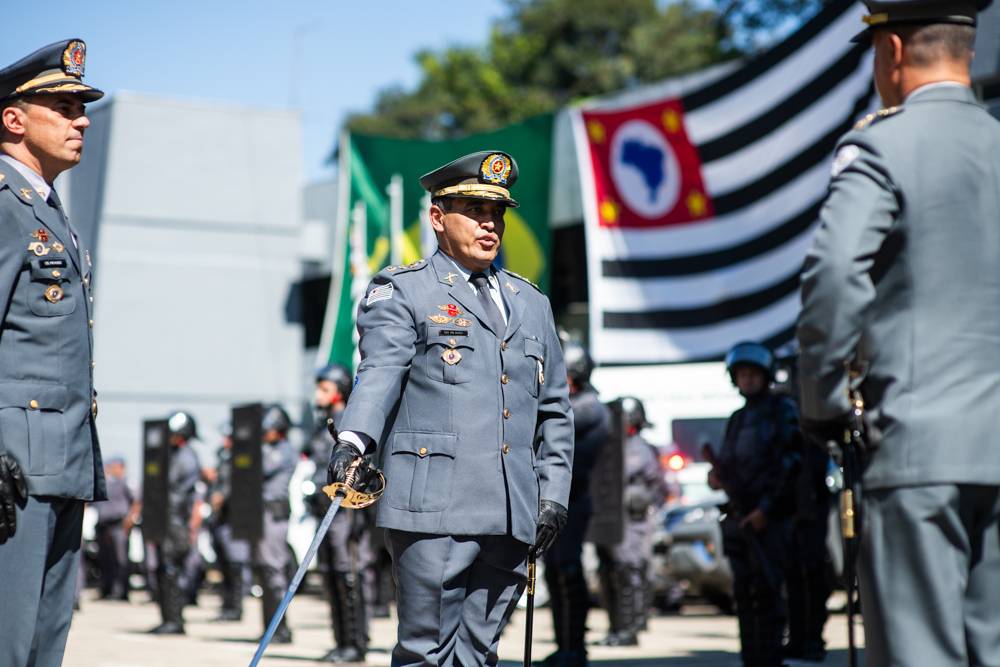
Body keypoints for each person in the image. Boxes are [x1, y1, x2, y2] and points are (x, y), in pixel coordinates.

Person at [796, 2, 1000, 664]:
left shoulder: (881, 146)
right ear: (969, 54)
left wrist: (822, 402)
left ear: (890, 52)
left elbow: (832, 275)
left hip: (917, 449)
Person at [327, 150, 574, 667]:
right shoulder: (403, 290)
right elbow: (380, 374)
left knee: (480, 653)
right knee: (426, 652)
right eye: (473, 210)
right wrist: (353, 442)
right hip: (433, 508)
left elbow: (554, 409)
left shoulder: (531, 302)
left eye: (498, 213)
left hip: (511, 509)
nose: (490, 224)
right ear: (438, 218)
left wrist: (553, 495)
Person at [0, 39, 105, 667]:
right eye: (64, 106)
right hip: (12, 466)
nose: (82, 119)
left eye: (82, 107)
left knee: (43, 646)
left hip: (59, 461)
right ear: (14, 118)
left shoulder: (47, 212)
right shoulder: (6, 210)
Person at [707, 342, 799, 667]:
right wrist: (716, 477)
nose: (746, 380)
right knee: (744, 596)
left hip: (768, 521)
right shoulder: (737, 418)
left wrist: (767, 509)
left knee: (769, 596)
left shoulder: (782, 411)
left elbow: (789, 466)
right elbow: (730, 463)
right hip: (739, 521)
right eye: (741, 374)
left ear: (765, 376)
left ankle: (771, 660)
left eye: (752, 374)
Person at [539, 341, 609, 667]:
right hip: (561, 499)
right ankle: (564, 645)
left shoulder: (588, 406)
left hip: (576, 500)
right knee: (555, 573)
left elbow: (550, 421)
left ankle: (575, 649)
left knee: (568, 571)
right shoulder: (577, 403)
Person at [307, 363, 374, 663]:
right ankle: (341, 640)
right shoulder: (326, 421)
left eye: (324, 388)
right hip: (326, 513)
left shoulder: (350, 421)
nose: (317, 394)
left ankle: (355, 644)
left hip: (347, 514)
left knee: (350, 571)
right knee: (331, 573)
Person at [595, 396, 667, 648]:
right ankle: (617, 627)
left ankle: (631, 629)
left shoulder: (639, 448)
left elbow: (653, 486)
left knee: (629, 574)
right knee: (609, 573)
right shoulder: (615, 446)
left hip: (631, 522)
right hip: (612, 520)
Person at [146, 411, 202, 635]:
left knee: (171, 569)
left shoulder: (185, 457)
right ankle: (168, 617)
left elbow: (171, 486)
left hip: (176, 520)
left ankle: (175, 620)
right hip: (167, 518)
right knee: (163, 568)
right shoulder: (173, 454)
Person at [252, 403, 297, 644]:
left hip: (274, 512)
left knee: (274, 569)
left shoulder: (283, 450)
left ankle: (281, 628)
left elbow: (263, 467)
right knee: (264, 570)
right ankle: (270, 626)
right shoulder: (269, 448)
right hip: (262, 513)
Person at [208, 421, 251, 621]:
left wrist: (222, 496)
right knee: (224, 564)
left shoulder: (241, 459)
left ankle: (235, 607)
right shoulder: (224, 457)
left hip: (233, 518)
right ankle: (227, 604)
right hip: (221, 518)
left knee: (235, 564)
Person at [95, 456, 135, 601]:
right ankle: (108, 589)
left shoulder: (126, 482)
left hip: (119, 525)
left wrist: (129, 520)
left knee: (121, 560)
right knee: (107, 560)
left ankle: (121, 591)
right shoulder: (106, 483)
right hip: (104, 526)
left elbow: (136, 502)